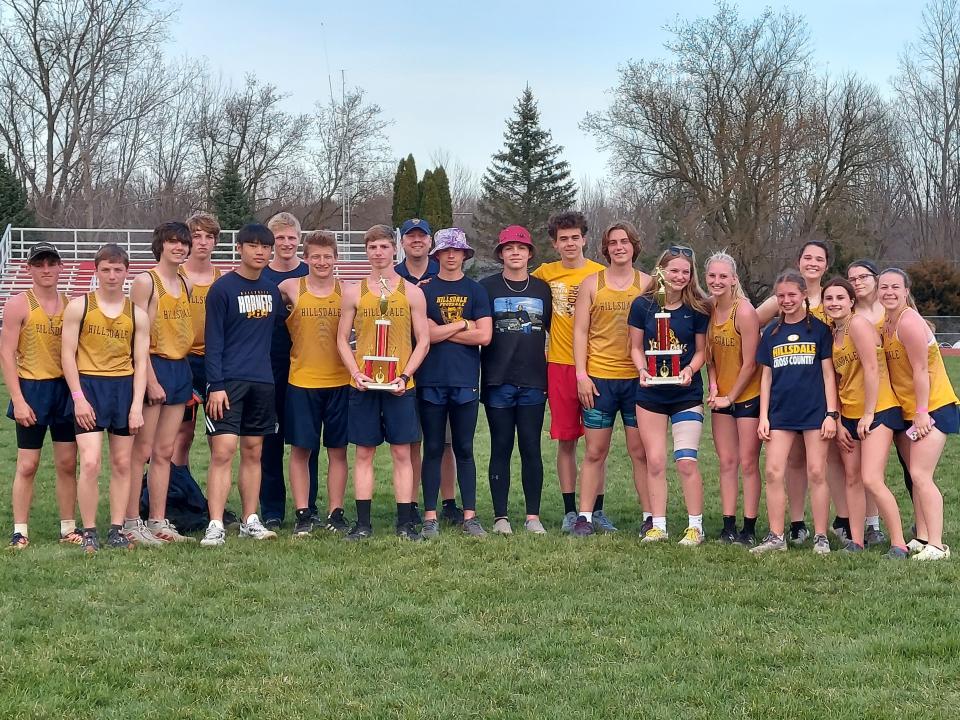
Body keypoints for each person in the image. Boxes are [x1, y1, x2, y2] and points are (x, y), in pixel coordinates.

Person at [336, 224, 430, 541]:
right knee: (364, 453)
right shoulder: (353, 291)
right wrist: (355, 373)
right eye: (372, 247)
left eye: (384, 247)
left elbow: (424, 341)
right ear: (367, 251)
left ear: (395, 250)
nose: (378, 253)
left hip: (400, 386)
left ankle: (404, 522)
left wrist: (405, 376)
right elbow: (341, 340)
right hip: (363, 385)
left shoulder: (412, 292)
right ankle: (363, 524)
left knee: (402, 453)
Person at [758, 240, 849, 544]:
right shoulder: (770, 333)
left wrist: (831, 414)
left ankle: (821, 536)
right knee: (773, 472)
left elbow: (827, 375)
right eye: (781, 296)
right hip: (780, 414)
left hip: (815, 414)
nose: (786, 300)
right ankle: (775, 536)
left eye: (792, 295)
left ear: (803, 296)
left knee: (816, 472)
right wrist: (763, 417)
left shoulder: (819, 329)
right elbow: (766, 379)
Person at [61, 244, 150, 553]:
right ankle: (89, 531)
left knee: (123, 463)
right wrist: (78, 398)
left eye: (118, 269)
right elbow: (67, 356)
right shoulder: (79, 307)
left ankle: (115, 529)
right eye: (106, 269)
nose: (112, 275)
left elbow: (141, 362)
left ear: (127, 272)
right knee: (90, 461)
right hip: (89, 388)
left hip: (123, 389)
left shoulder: (136, 314)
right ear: (96, 271)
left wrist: (137, 405)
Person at [200, 224, 283, 546]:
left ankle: (250, 519)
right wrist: (215, 384)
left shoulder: (272, 290)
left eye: (265, 247)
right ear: (239, 248)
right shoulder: (223, 289)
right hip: (227, 382)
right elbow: (213, 341)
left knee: (254, 451)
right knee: (223, 451)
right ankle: (216, 523)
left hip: (262, 381)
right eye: (253, 245)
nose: (260, 252)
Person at [570, 222, 650, 537]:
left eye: (624, 242)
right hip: (600, 379)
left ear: (634, 246)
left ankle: (650, 517)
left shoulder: (647, 284)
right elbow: (580, 331)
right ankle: (585, 517)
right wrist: (581, 374)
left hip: (637, 381)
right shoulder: (592, 284)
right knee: (594, 451)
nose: (619, 247)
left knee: (639, 451)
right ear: (605, 248)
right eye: (613, 242)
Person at [0, 242, 80, 548]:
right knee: (28, 464)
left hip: (63, 389)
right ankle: (20, 531)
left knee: (66, 462)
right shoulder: (19, 304)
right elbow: (6, 354)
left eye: (51, 263)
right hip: (32, 388)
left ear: (61, 267)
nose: (46, 270)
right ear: (29, 268)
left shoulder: (71, 303)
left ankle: (68, 528)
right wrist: (18, 400)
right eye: (39, 264)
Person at [628, 245, 710, 546]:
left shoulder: (698, 307)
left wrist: (689, 369)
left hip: (686, 394)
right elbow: (636, 347)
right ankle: (658, 525)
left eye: (685, 272)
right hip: (650, 394)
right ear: (660, 271)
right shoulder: (642, 305)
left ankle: (695, 526)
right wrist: (642, 370)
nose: (679, 276)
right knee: (656, 461)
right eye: (674, 270)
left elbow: (702, 351)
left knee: (686, 461)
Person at [822, 277, 910, 558]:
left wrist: (869, 413)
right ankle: (856, 541)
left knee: (871, 478)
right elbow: (837, 381)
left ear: (850, 301)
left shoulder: (858, 324)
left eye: (840, 298)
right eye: (829, 299)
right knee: (852, 478)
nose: (834, 303)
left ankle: (899, 544)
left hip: (878, 410)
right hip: (849, 414)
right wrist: (837, 420)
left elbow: (872, 370)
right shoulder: (832, 333)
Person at [531, 211, 606, 532]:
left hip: (599, 365)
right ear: (555, 243)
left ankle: (597, 511)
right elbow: (516, 286)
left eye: (575, 237)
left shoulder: (600, 273)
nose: (570, 243)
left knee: (596, 443)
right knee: (566, 441)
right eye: (563, 239)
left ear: (585, 239)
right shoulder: (545, 274)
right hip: (560, 364)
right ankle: (568, 510)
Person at [416, 228, 492, 538]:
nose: (450, 255)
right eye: (445, 251)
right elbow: (426, 336)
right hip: (431, 379)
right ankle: (430, 516)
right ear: (437, 255)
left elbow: (485, 336)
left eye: (456, 251)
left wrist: (443, 329)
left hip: (465, 382)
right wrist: (462, 324)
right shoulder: (424, 290)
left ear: (464, 254)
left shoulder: (476, 291)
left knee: (464, 448)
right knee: (433, 448)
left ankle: (470, 516)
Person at [879, 268, 959, 561]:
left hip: (933, 406)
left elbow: (921, 370)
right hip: (911, 411)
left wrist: (923, 412)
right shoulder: (886, 322)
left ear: (906, 290)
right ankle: (922, 536)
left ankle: (937, 545)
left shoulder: (909, 321)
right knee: (916, 475)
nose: (888, 291)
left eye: (895, 287)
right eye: (883, 286)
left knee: (921, 475)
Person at [124, 222, 195, 545]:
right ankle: (130, 521)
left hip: (180, 367)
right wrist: (149, 379)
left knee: (164, 451)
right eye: (172, 242)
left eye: (183, 242)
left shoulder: (185, 282)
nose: (178, 247)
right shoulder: (145, 282)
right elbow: (137, 337)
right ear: (160, 245)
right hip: (153, 366)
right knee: (142, 450)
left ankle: (157, 519)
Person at [276, 231, 351, 536]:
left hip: (340, 380)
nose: (322, 262)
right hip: (302, 380)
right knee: (301, 450)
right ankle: (303, 512)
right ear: (305, 258)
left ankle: (335, 511)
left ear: (336, 258)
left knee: (338, 450)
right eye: (315, 256)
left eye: (327, 256)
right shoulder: (290, 287)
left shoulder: (348, 291)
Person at [480, 226, 552, 535]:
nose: (515, 253)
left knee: (531, 448)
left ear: (530, 253)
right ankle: (501, 517)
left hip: (534, 380)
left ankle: (533, 516)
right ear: (500, 254)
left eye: (521, 248)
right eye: (508, 248)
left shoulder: (541, 289)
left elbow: (552, 329)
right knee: (501, 447)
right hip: (498, 380)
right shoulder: (486, 288)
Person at [395, 217, 463, 525]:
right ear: (403, 242)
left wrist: (446, 329)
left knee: (445, 443)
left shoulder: (443, 273)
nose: (417, 241)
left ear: (430, 244)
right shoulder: (394, 277)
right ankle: (409, 503)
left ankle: (448, 502)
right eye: (411, 236)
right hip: (404, 368)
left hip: (443, 368)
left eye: (422, 236)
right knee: (413, 441)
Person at [259, 212, 320, 529]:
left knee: (306, 441)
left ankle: (308, 506)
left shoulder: (312, 273)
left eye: (290, 237)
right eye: (279, 238)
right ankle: (271, 508)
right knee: (268, 440)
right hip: (267, 366)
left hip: (307, 367)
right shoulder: (259, 275)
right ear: (271, 242)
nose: (285, 243)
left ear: (299, 239)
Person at [704, 252, 762, 546]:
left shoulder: (745, 311)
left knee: (748, 463)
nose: (717, 281)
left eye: (723, 276)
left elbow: (750, 364)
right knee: (726, 462)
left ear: (733, 279)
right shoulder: (708, 310)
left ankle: (749, 528)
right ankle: (728, 525)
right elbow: (710, 358)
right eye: (712, 276)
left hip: (748, 396)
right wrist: (714, 386)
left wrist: (731, 397)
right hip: (723, 397)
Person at [845, 259, 896, 546]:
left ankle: (921, 530)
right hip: (858, 401)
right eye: (852, 278)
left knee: (908, 470)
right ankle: (870, 526)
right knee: (863, 473)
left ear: (875, 279)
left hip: (895, 399)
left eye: (863, 276)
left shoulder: (890, 310)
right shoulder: (848, 315)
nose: (858, 282)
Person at [172, 212, 224, 475]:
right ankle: (183, 494)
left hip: (216, 363)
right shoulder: (174, 277)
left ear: (215, 242)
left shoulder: (224, 280)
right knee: (182, 435)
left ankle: (215, 502)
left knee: (220, 439)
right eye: (197, 236)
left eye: (209, 236)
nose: (203, 242)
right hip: (183, 363)